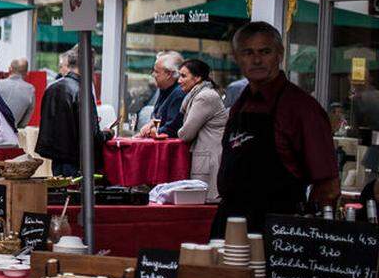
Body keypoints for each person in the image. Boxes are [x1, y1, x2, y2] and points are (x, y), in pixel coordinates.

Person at [212, 22, 339, 235]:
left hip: (277, 231)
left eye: (265, 51)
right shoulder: (240, 105)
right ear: (236, 57)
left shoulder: (301, 108)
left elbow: (328, 187)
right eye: (248, 52)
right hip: (230, 224)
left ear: (279, 54)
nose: (257, 60)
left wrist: (304, 234)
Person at [156, 59, 226, 201]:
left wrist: (177, 130)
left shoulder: (204, 97)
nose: (179, 80)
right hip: (206, 158)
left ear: (197, 78)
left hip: (210, 160)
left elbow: (186, 133)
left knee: (206, 206)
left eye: (184, 76)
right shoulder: (197, 95)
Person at [35, 47, 104, 177]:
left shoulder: (52, 87)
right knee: (74, 195)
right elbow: (92, 135)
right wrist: (107, 134)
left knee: (61, 194)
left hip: (57, 158)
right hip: (76, 160)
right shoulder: (82, 91)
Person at [135, 51, 187, 138]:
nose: (153, 75)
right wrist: (150, 124)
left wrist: (151, 131)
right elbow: (157, 115)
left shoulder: (179, 94)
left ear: (169, 74)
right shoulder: (164, 88)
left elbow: (171, 129)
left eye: (156, 72)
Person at [0, 58, 36, 128]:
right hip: (11, 135)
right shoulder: (30, 90)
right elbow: (23, 123)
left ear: (9, 69)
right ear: (27, 73)